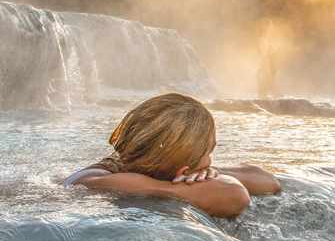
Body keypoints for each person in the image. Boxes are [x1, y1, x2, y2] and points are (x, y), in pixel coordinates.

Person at [64, 93, 281, 218]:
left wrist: (208, 172)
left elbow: (267, 180)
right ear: (182, 170)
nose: (211, 160)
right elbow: (236, 195)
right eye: (209, 152)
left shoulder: (136, 164)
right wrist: (184, 183)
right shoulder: (97, 179)